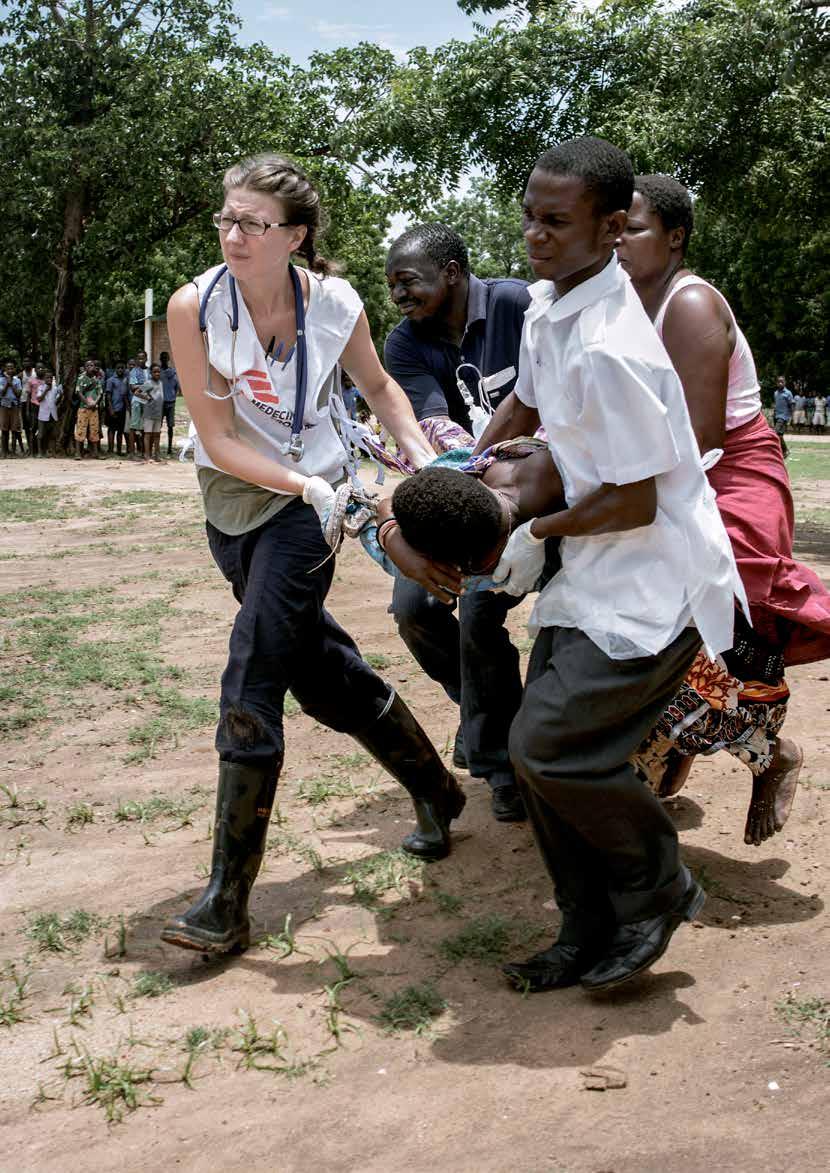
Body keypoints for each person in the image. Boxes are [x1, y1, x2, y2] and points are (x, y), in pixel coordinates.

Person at [160, 152, 463, 956]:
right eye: (225, 217)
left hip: (309, 509)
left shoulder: (332, 303)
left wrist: (417, 456)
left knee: (254, 664)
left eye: (252, 223)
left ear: (293, 235)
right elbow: (219, 440)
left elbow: (382, 389)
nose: (232, 234)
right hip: (236, 501)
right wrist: (298, 481)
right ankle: (436, 788)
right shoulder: (194, 306)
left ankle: (227, 899)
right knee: (320, 673)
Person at [468, 137, 745, 995]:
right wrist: (464, 474)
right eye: (528, 217)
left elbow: (634, 500)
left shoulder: (616, 345)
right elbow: (528, 397)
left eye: (556, 221)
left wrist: (535, 528)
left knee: (550, 746)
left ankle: (658, 888)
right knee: (534, 754)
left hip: (650, 581)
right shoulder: (557, 306)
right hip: (593, 567)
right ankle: (585, 923)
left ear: (613, 225)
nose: (534, 237)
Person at [617, 173, 830, 844]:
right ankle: (669, 761)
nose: (617, 239)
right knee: (649, 636)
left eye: (635, 227)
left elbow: (699, 440)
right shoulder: (618, 306)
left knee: (701, 627)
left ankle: (767, 753)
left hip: (728, 475)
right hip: (673, 474)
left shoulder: (691, 305)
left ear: (675, 238)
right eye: (612, 226)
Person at [381, 223, 532, 822]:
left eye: (408, 281)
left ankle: (499, 766)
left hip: (534, 490)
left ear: (451, 270)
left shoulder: (518, 305)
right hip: (456, 488)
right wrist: (459, 476)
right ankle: (487, 720)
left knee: (476, 609)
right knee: (414, 609)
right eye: (392, 285)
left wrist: (481, 470)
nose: (399, 295)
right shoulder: (405, 344)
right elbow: (432, 432)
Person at [73, 359, 103, 459]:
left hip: (94, 409)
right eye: (88, 365)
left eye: (92, 365)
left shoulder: (96, 379)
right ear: (85, 368)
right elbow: (78, 392)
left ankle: (95, 453)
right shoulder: (81, 378)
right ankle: (78, 453)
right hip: (83, 408)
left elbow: (100, 393)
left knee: (94, 430)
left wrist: (95, 403)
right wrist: (87, 403)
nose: (91, 367)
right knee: (81, 430)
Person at [140, 362, 165, 462]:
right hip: (149, 413)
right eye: (155, 372)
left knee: (157, 434)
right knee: (148, 434)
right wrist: (148, 398)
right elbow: (138, 393)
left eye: (158, 372)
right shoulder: (148, 383)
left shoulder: (160, 383)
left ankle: (157, 455)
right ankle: (147, 454)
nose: (157, 374)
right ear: (151, 373)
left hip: (158, 412)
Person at [105, 361, 130, 455]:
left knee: (120, 430)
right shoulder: (111, 380)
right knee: (111, 429)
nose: (120, 370)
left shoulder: (126, 379)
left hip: (122, 408)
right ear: (115, 369)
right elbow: (108, 396)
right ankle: (110, 449)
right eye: (118, 368)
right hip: (113, 408)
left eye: (122, 368)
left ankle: (119, 450)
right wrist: (110, 408)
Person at [0, 362, 24, 457]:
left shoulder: (17, 380)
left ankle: (13, 452)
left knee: (14, 430)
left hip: (14, 406)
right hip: (4, 406)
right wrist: (7, 383)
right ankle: (4, 451)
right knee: (4, 429)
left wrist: (11, 383)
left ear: (14, 369)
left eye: (12, 368)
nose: (10, 370)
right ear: (5, 370)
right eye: (8, 368)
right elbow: (2, 393)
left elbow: (18, 394)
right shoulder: (1, 380)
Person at [159, 350, 179, 456]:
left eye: (165, 358)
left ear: (168, 359)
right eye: (162, 358)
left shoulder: (173, 372)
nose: (164, 360)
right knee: (158, 425)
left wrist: (173, 396)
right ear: (160, 359)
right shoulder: (158, 372)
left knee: (170, 426)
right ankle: (156, 446)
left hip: (170, 402)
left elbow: (176, 387)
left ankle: (170, 447)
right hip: (160, 403)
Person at [36, 369, 61, 455]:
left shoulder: (55, 388)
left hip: (53, 414)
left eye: (51, 378)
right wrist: (46, 390)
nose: (49, 379)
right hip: (43, 414)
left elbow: (57, 401)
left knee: (53, 434)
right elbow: (39, 399)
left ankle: (53, 452)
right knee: (41, 434)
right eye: (47, 378)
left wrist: (61, 395)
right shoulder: (40, 388)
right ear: (44, 379)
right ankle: (40, 452)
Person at [773, 375, 794, 456]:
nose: (780, 383)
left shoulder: (788, 393)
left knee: (775, 433)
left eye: (782, 382)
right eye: (779, 382)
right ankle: (784, 451)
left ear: (785, 383)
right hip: (776, 416)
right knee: (779, 435)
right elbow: (776, 404)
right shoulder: (775, 393)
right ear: (776, 383)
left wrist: (791, 417)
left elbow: (791, 405)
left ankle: (783, 450)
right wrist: (774, 413)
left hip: (783, 417)